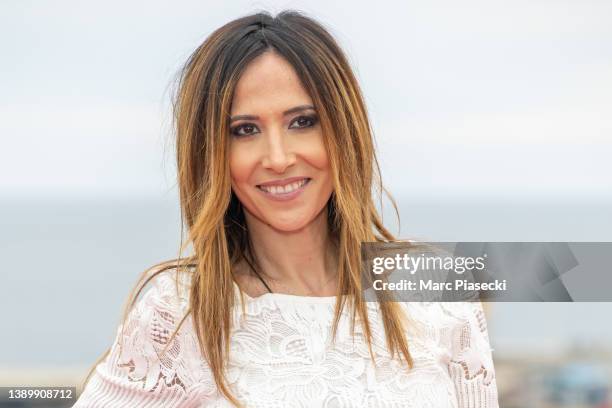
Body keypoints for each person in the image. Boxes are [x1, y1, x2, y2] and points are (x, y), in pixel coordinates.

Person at [73, 10, 499, 407]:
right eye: (244, 130)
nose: (277, 157)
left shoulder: (439, 291)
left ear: (344, 130)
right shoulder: (179, 314)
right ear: (211, 154)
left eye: (302, 121)